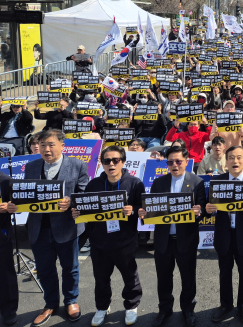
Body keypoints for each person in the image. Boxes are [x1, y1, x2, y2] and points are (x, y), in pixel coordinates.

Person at [16, 129, 89, 327]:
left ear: (62, 146)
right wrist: (16, 203)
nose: (46, 149)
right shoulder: (31, 167)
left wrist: (71, 201)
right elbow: (26, 195)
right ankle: (50, 304)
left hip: (66, 228)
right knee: (45, 269)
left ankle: (71, 301)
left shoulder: (77, 165)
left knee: (70, 268)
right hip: (39, 228)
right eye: (42, 145)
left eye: (50, 145)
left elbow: (84, 194)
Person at [71, 146, 144, 327]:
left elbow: (144, 210)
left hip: (125, 241)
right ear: (101, 163)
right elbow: (84, 210)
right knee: (101, 278)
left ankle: (131, 305)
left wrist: (133, 210)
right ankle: (102, 307)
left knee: (130, 276)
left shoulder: (135, 183)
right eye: (106, 161)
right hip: (100, 242)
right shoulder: (93, 184)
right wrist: (77, 213)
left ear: (123, 162)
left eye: (115, 160)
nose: (111, 164)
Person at [138, 146, 205, 327]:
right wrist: (144, 213)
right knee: (164, 278)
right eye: (170, 162)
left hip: (186, 240)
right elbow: (151, 210)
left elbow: (204, 210)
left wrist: (200, 210)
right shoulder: (159, 183)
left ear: (186, 161)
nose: (174, 165)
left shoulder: (197, 182)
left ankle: (188, 309)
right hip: (163, 240)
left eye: (178, 161)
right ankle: (164, 309)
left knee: (188, 278)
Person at [207, 146, 243, 325]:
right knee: (224, 272)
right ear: (226, 160)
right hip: (224, 234)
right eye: (231, 157)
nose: (235, 161)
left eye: (239, 157)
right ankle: (225, 305)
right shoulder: (217, 181)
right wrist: (208, 210)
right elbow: (209, 209)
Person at [0, 169, 18, 326]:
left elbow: (16, 205)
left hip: (2, 233)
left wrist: (8, 207)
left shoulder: (5, 180)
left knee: (5, 274)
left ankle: (9, 311)